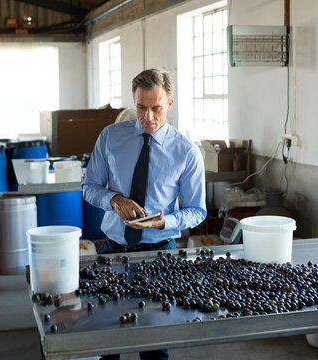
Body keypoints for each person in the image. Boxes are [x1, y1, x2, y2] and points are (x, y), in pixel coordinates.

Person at [82, 68, 206, 360]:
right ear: (133, 101)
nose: (148, 117)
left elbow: (197, 210)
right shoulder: (111, 137)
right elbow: (88, 186)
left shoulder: (186, 152)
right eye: (141, 107)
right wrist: (113, 199)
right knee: (108, 336)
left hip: (160, 253)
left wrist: (167, 221)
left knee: (154, 339)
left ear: (170, 104)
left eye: (156, 108)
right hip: (113, 251)